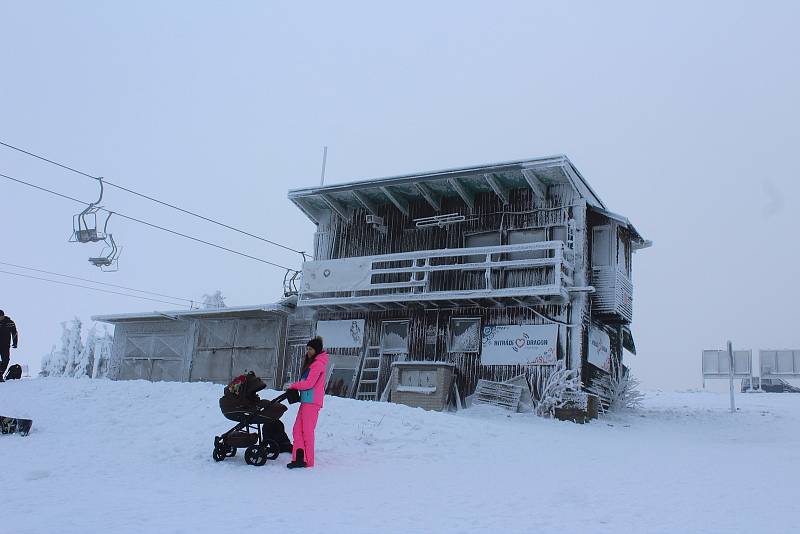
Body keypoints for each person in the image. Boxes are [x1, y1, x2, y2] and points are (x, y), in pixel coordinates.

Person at [286, 336, 329, 469]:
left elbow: (309, 383)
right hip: (306, 401)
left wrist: (294, 386)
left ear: (316, 350)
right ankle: (299, 458)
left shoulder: (317, 365)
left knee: (307, 431)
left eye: (310, 349)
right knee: (297, 430)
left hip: (312, 402)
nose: (308, 351)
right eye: (307, 349)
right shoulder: (311, 363)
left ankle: (308, 460)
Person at [0, 310, 18, 383]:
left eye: (1, 316)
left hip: (5, 345)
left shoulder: (10, 322)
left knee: (6, 360)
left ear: (3, 316)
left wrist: (15, 343)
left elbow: (14, 333)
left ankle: (0, 374)